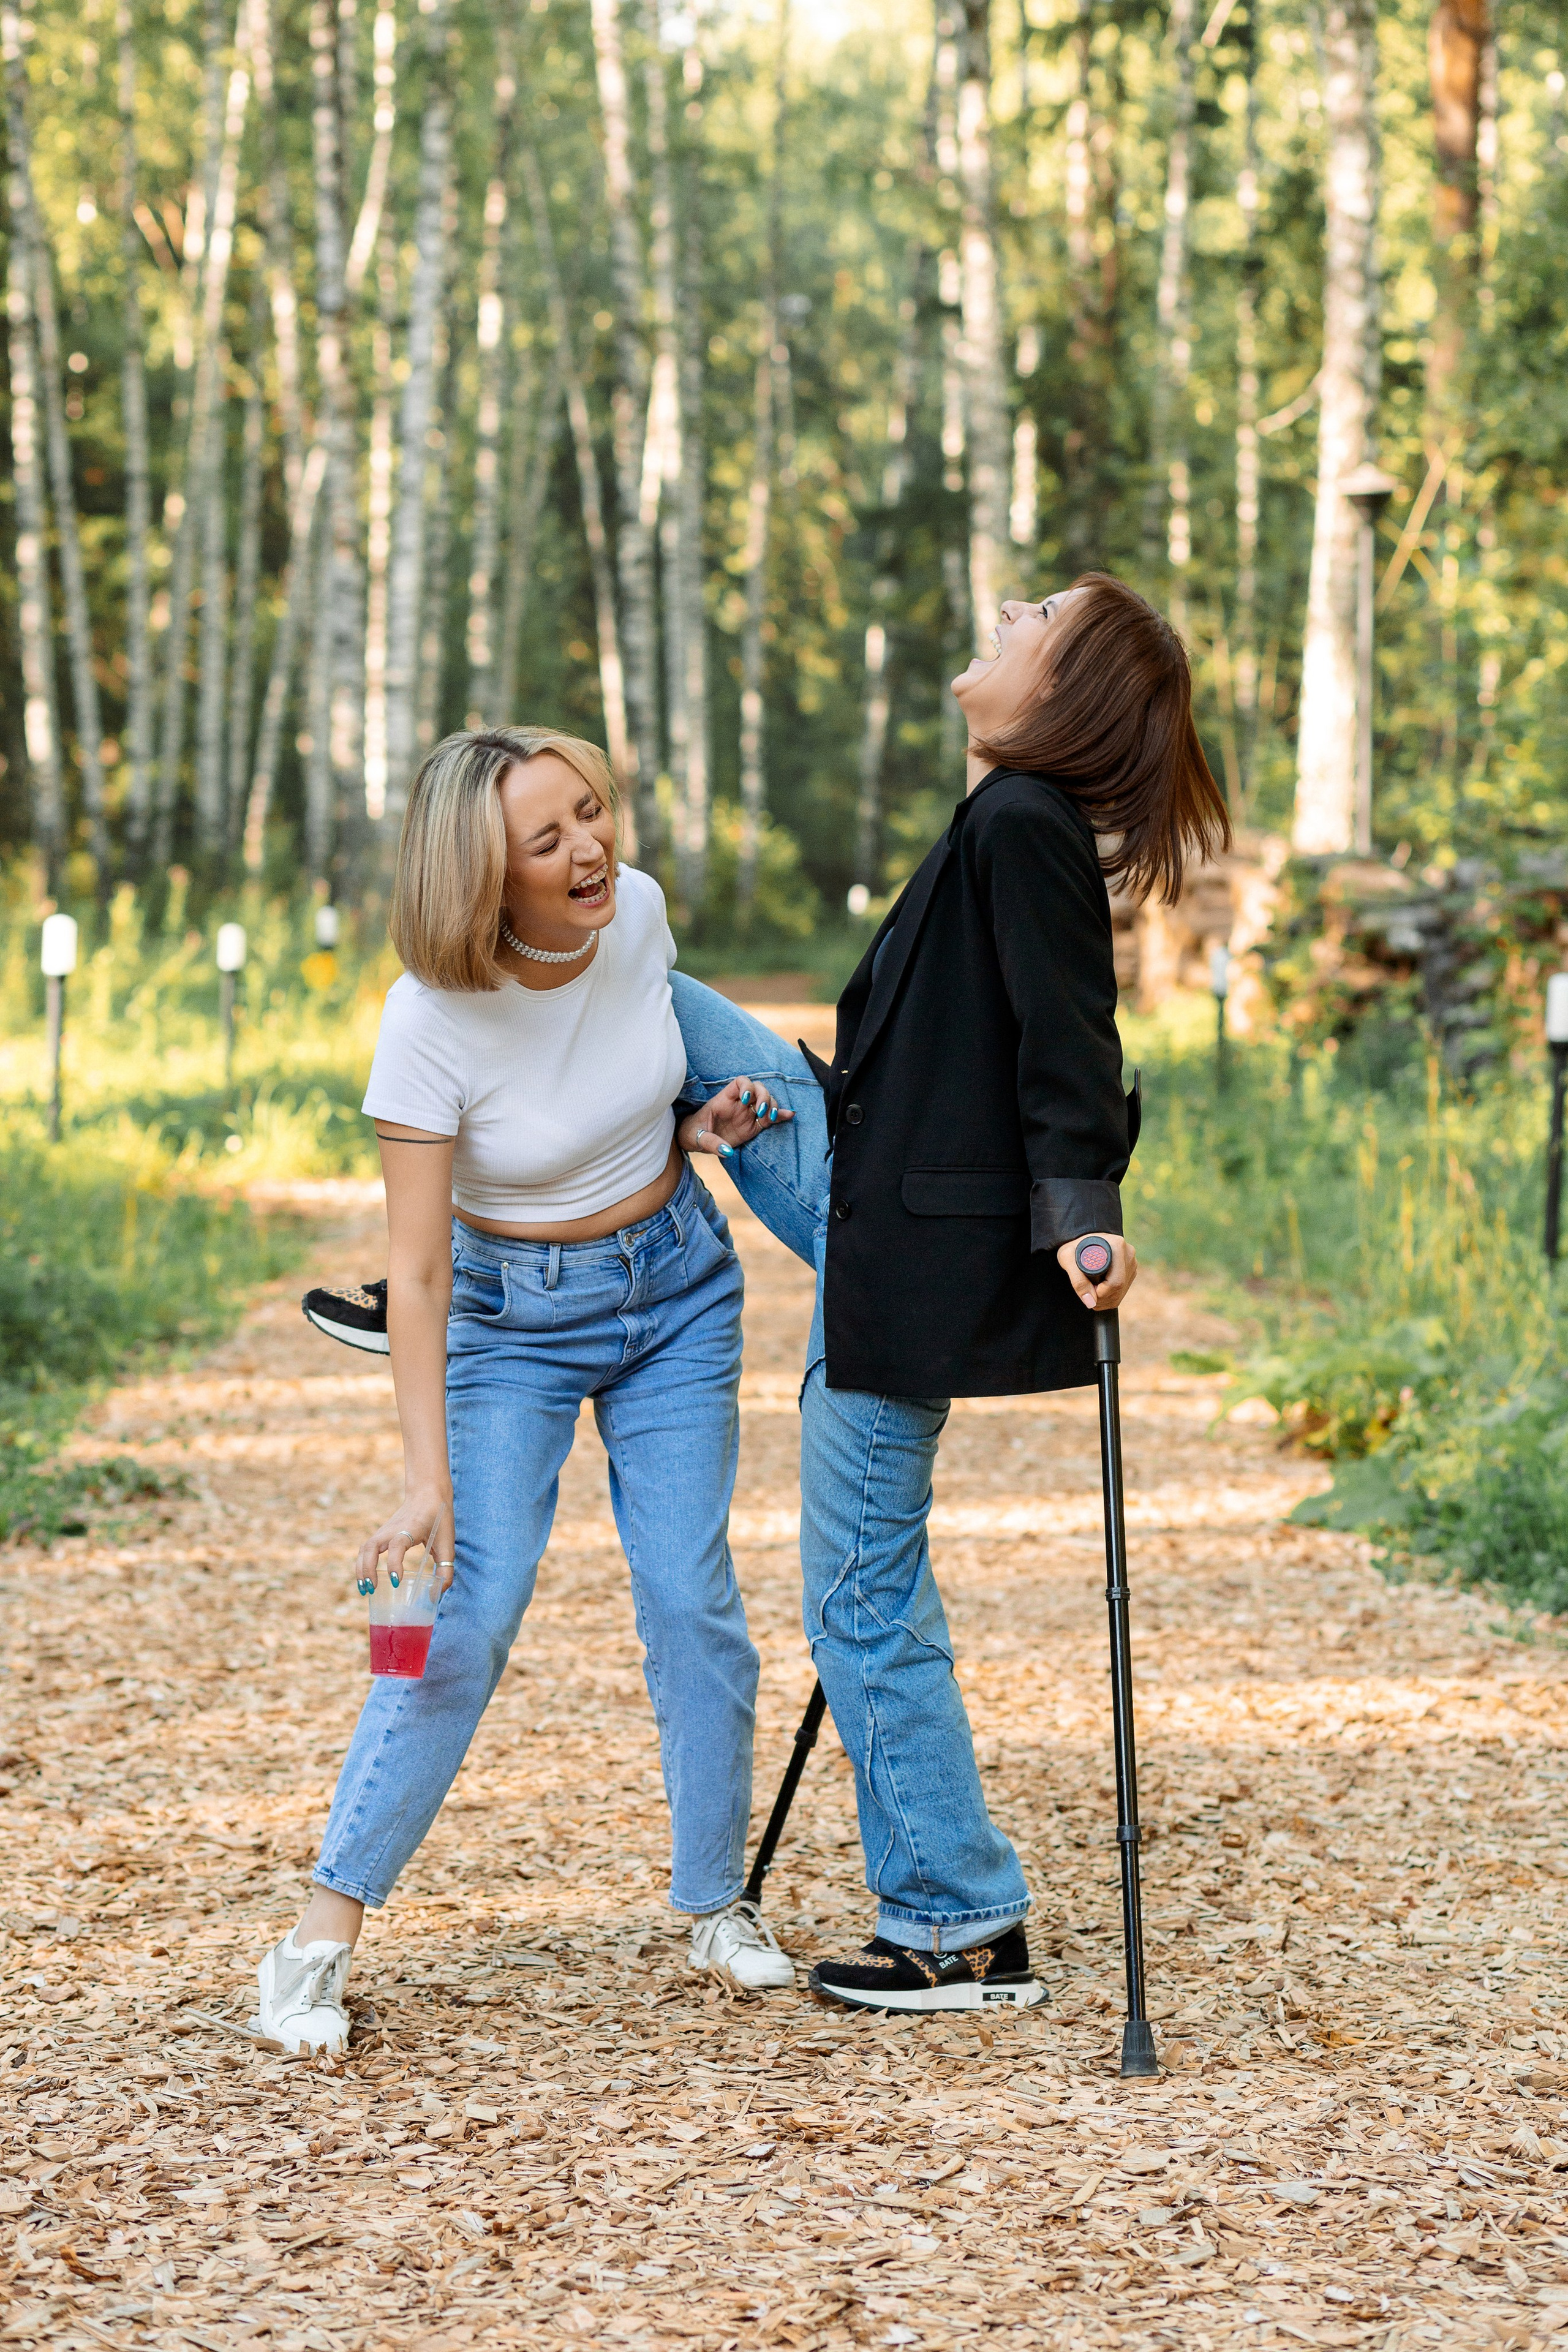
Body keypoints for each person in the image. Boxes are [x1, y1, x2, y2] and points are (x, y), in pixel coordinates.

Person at [302, 574, 1229, 2016]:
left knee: (810, 1604)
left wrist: (1080, 1211)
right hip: (818, 1209)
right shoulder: (997, 809)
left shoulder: (1005, 825)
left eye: (1034, 617)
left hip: (850, 1260)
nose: (1001, 604)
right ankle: (474, 1259)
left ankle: (919, 1917)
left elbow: (1069, 1030)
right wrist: (671, 1132)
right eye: (545, 838)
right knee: (643, 998)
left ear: (1061, 694)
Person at [256, 726, 799, 2057]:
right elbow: (418, 1272)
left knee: (691, 1597)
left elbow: (625, 1088)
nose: (591, 850)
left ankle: (715, 1903)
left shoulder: (639, 916)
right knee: (461, 1614)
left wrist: (689, 1133)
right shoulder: (427, 1022)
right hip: (512, 1326)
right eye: (546, 840)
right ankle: (316, 1943)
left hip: (677, 1289)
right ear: (480, 877)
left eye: (591, 813)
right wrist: (422, 1483)